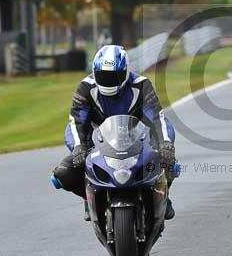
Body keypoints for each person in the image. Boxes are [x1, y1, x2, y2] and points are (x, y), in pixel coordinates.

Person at [51, 45, 178, 220]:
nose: (108, 80)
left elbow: (157, 117)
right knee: (63, 174)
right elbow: (76, 121)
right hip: (97, 144)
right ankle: (89, 197)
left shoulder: (142, 85)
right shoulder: (85, 88)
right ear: (94, 72)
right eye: (103, 75)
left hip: (139, 141)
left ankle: (162, 195)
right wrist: (78, 147)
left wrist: (165, 143)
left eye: (113, 76)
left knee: (169, 162)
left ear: (125, 72)